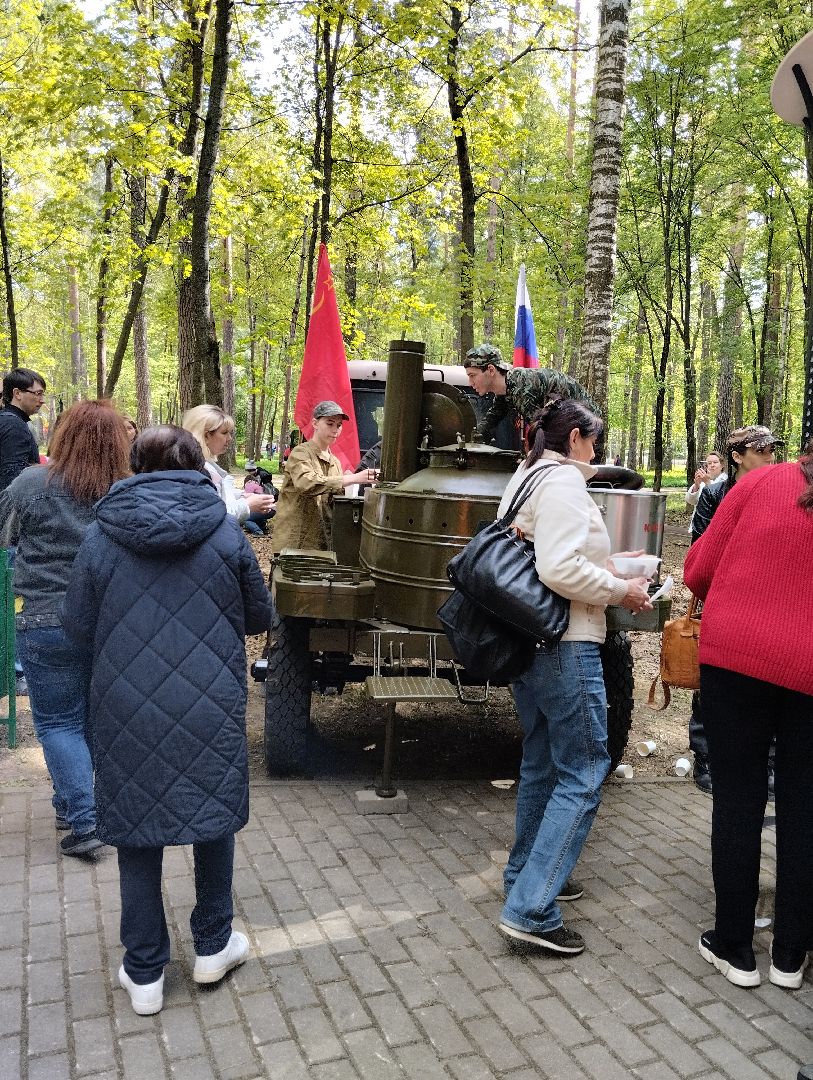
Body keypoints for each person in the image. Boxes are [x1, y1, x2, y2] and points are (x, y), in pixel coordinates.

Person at [62, 425, 272, 1016]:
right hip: (209, 701)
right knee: (213, 820)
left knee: (134, 831)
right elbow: (260, 613)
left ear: (135, 465)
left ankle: (145, 970)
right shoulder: (225, 532)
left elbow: (77, 628)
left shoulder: (104, 533)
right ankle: (212, 946)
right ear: (198, 462)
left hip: (126, 704)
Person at [497, 398, 652, 956]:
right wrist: (620, 590)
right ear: (579, 438)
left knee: (541, 763)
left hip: (530, 646)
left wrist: (612, 565)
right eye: (595, 439)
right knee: (585, 769)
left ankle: (529, 876)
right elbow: (557, 568)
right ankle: (531, 908)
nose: (598, 449)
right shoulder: (562, 482)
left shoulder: (528, 476)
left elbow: (550, 553)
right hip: (565, 645)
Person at [684, 445, 813, 990]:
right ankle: (790, 955)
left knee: (738, 800)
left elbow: (698, 569)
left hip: (736, 660)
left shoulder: (760, 483)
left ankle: (734, 948)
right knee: (805, 806)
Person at [0, 400, 131, 854]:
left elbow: (5, 537)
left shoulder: (31, 484)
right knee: (90, 718)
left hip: (44, 619)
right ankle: (70, 801)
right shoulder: (126, 491)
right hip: (109, 622)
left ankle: (84, 821)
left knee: (58, 722)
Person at [688, 425, 782, 794]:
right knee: (711, 683)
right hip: (725, 599)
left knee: (771, 680)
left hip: (768, 600)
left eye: (773, 448)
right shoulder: (715, 494)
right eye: (760, 449)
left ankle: (769, 761)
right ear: (738, 456)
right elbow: (703, 546)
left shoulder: (783, 488)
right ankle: (706, 758)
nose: (770, 455)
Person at [271, 401, 377, 555]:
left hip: (322, 543)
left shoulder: (335, 463)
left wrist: (351, 487)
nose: (335, 430)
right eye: (330, 423)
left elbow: (335, 505)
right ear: (315, 423)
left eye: (339, 425)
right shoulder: (301, 453)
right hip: (294, 543)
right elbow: (306, 483)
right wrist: (353, 478)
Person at [462, 343, 597, 445]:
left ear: (491, 370)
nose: (470, 382)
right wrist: (469, 436)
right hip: (577, 430)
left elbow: (541, 432)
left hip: (588, 429)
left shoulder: (520, 387)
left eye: (472, 375)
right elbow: (492, 418)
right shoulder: (507, 388)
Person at [182, 405, 276, 531]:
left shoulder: (204, 466)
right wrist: (247, 505)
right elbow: (211, 517)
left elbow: (217, 498)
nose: (229, 439)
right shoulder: (198, 472)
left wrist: (241, 495)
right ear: (206, 436)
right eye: (224, 433)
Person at [0, 367, 46, 491]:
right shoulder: (13, 424)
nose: (42, 400)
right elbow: (14, 479)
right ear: (17, 394)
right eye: (38, 394)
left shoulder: (9, 420)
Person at [685, 451, 725, 535]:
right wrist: (697, 484)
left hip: (714, 528)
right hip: (698, 527)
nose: (712, 465)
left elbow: (720, 503)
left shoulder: (726, 481)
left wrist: (707, 483)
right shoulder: (703, 480)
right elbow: (691, 501)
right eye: (709, 463)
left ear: (722, 465)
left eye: (715, 462)